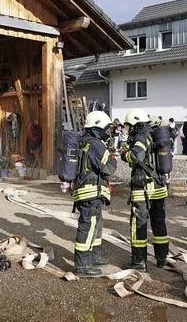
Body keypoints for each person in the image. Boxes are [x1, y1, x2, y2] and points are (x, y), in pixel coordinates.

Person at [121, 108, 169, 271]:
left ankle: (139, 261)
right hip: (159, 186)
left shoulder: (141, 135)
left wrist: (124, 155)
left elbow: (137, 156)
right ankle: (162, 258)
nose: (128, 129)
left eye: (129, 126)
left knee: (138, 223)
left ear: (135, 123)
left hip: (143, 188)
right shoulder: (154, 133)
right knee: (158, 223)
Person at [70, 111, 117, 276]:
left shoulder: (84, 142)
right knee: (88, 227)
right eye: (106, 128)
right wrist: (113, 156)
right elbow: (110, 167)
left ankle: (94, 257)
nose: (107, 132)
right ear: (98, 127)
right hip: (90, 192)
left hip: (86, 191)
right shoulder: (96, 144)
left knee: (96, 226)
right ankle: (82, 266)